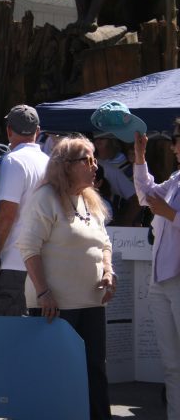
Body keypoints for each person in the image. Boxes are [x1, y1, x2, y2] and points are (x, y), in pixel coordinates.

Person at [18, 136, 115, 420]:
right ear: (66, 166)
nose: (95, 166)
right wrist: (44, 292)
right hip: (55, 305)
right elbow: (28, 248)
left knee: (95, 369)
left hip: (92, 302)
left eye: (94, 158)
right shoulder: (45, 198)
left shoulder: (90, 200)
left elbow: (104, 243)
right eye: (87, 160)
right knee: (57, 374)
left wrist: (108, 271)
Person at [0, 105, 49, 316]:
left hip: (13, 263)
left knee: (8, 338)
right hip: (42, 264)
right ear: (38, 131)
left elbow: (6, 216)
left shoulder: (13, 161)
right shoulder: (49, 163)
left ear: (9, 130)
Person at [134, 126, 180, 419]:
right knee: (171, 365)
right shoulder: (177, 178)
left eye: (177, 142)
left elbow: (162, 209)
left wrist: (171, 215)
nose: (174, 148)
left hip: (176, 280)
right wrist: (140, 156)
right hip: (161, 280)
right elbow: (146, 197)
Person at [92, 132, 140, 225]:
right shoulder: (66, 166)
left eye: (102, 139)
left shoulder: (106, 168)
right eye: (95, 139)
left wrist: (124, 224)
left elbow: (136, 200)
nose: (97, 143)